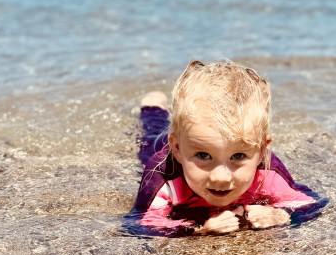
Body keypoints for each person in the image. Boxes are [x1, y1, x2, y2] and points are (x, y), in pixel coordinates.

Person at [128, 59, 324, 235]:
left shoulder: (268, 170)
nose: (220, 178)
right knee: (152, 135)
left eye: (238, 156)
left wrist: (281, 214)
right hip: (165, 148)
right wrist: (198, 230)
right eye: (203, 155)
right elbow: (142, 225)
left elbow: (311, 204)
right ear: (178, 149)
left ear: (261, 151)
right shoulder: (163, 174)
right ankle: (152, 107)